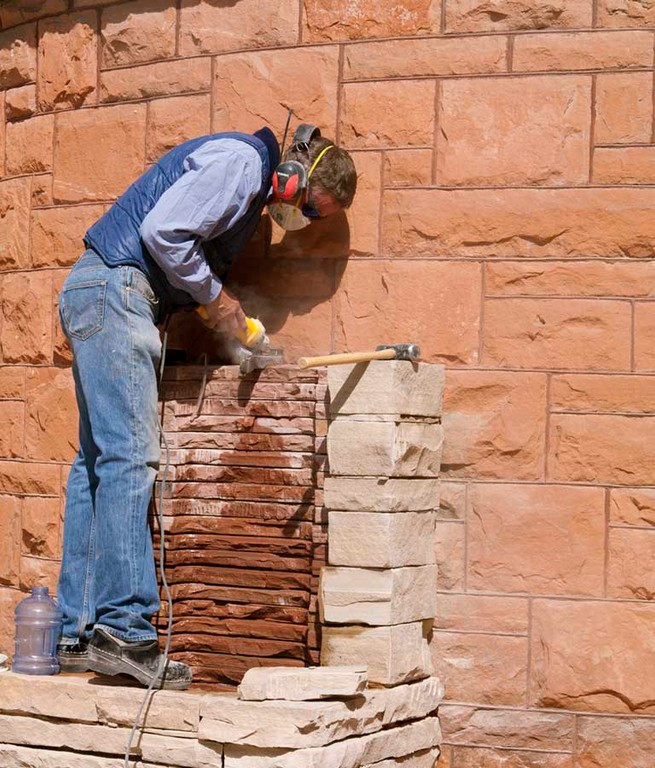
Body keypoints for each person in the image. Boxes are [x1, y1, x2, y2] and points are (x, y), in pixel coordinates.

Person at [55, 124, 357, 689]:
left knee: (95, 465)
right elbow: (166, 233)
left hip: (97, 290)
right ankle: (125, 632)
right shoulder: (241, 165)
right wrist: (218, 300)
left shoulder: (241, 176)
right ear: (292, 179)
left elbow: (179, 253)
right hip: (118, 292)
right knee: (128, 459)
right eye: (312, 212)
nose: (306, 223)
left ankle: (75, 632)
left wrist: (231, 327)